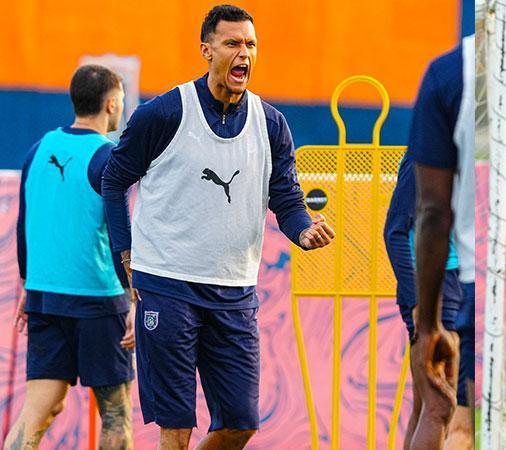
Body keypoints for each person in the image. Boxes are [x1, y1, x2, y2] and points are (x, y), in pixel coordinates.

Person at [101, 5, 334, 449]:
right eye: (232, 43)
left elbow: (286, 198)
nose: (243, 53)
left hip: (235, 293)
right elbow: (113, 181)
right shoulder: (163, 114)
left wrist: (303, 230)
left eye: (250, 44)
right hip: (167, 285)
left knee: (240, 424)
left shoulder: (272, 124)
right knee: (176, 426)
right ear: (206, 50)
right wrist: (125, 258)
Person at [7, 64, 134, 450]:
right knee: (115, 414)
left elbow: (25, 224)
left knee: (38, 411)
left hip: (45, 298)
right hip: (98, 301)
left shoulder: (38, 150)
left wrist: (28, 284)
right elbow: (120, 235)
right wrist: (133, 296)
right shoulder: (107, 156)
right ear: (111, 104)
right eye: (121, 100)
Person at [408, 34, 475, 450]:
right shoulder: (423, 162)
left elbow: (431, 214)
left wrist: (426, 322)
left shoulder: (447, 73)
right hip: (450, 289)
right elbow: (403, 226)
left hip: (461, 289)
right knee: (437, 407)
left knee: (444, 410)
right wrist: (420, 310)